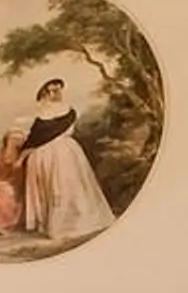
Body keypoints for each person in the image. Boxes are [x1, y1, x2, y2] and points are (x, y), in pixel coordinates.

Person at [14, 77, 115, 244]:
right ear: (45, 92)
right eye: (52, 90)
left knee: (69, 184)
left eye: (58, 90)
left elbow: (61, 132)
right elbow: (34, 138)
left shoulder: (68, 111)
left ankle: (74, 222)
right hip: (45, 154)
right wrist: (22, 157)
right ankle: (52, 224)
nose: (56, 94)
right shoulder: (40, 111)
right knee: (52, 186)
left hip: (66, 152)